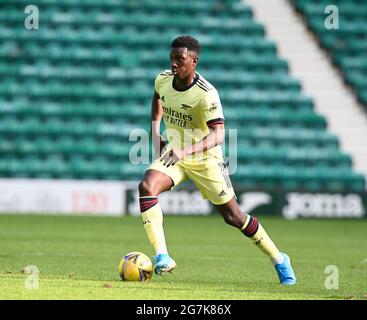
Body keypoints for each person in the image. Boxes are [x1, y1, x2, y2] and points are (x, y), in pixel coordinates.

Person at [138, 35, 296, 285]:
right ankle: (162, 256)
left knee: (233, 216)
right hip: (175, 154)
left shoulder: (206, 94)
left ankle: (279, 259)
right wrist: (155, 131)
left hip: (204, 159)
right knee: (147, 186)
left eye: (180, 59)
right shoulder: (163, 79)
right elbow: (157, 97)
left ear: (194, 61)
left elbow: (219, 135)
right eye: (172, 59)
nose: (174, 64)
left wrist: (185, 151)